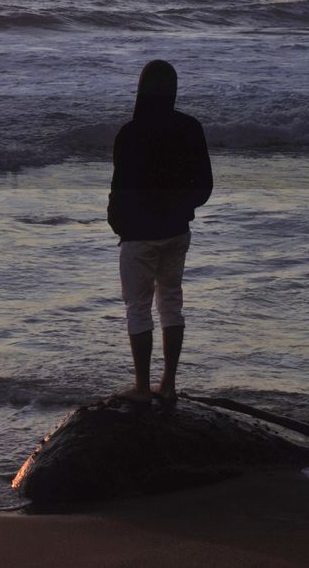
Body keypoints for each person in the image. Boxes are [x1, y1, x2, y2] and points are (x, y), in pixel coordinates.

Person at [107, 60, 213, 405]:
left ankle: (141, 386)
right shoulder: (189, 127)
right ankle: (167, 384)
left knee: (138, 307)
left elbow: (119, 189)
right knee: (171, 303)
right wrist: (184, 209)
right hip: (176, 230)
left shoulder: (131, 132)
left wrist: (119, 224)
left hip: (138, 233)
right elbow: (205, 185)